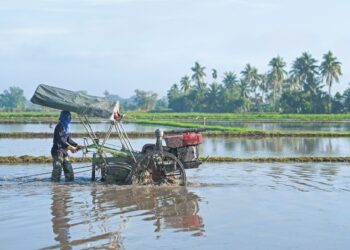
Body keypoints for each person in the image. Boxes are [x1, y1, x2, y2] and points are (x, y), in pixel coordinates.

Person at [51, 111, 80, 182]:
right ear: (64, 117)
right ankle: (55, 187)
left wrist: (76, 145)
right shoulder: (59, 126)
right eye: (68, 117)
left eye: (70, 117)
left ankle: (68, 186)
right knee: (57, 169)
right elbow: (60, 140)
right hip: (57, 151)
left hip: (63, 151)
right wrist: (70, 148)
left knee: (68, 169)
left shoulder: (65, 127)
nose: (70, 119)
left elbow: (68, 139)